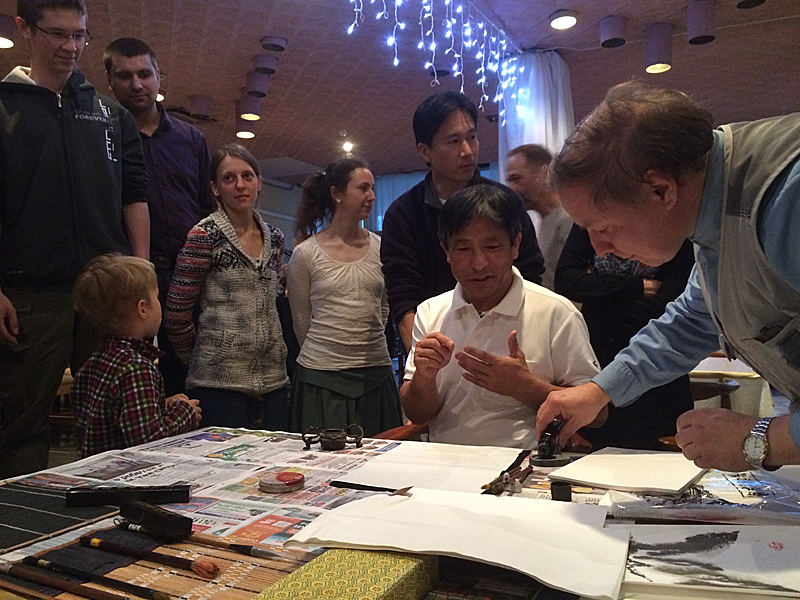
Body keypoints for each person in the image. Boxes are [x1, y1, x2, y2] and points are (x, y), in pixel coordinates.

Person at [536, 81, 800, 472]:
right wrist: (598, 391)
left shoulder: (787, 198)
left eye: (603, 227)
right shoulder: (712, 201)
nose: (598, 249)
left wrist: (759, 438)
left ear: (661, 190)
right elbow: (692, 319)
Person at [0, 0, 149, 478]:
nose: (71, 46)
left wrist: (140, 273)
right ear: (25, 28)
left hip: (106, 292)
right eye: (57, 34)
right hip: (29, 295)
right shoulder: (4, 105)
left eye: (79, 35)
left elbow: (134, 195)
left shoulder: (111, 114)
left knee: (114, 423)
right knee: (19, 426)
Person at [400, 184, 599, 448]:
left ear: (515, 245)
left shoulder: (556, 312)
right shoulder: (430, 311)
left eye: (492, 246)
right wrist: (424, 379)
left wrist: (524, 386)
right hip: (446, 459)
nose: (478, 263)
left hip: (528, 459)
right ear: (446, 251)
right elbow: (417, 413)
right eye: (463, 249)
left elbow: (598, 415)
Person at [381, 91, 545, 353]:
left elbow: (530, 273)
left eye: (472, 137)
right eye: (453, 141)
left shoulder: (506, 202)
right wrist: (422, 359)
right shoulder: (403, 214)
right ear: (425, 151)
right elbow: (403, 297)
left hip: (506, 339)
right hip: (438, 342)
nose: (467, 151)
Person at [104, 37, 215, 396]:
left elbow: (207, 209)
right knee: (137, 383)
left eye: (144, 74)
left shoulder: (190, 138)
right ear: (110, 81)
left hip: (190, 275)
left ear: (158, 76)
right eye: (124, 76)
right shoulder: (103, 138)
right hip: (130, 278)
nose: (136, 84)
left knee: (192, 378)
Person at [164, 143, 290, 430]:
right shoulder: (204, 236)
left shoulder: (275, 238)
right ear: (215, 188)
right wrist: (204, 356)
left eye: (247, 176)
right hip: (218, 385)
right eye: (229, 178)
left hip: (273, 381)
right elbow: (176, 313)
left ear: (259, 182)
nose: (240, 185)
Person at [286, 159, 403, 436]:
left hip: (374, 372)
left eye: (373, 188)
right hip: (321, 377)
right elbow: (302, 323)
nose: (371, 196)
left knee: (380, 457)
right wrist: (333, 352)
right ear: (337, 193)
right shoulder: (306, 253)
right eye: (363, 188)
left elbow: (383, 308)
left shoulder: (382, 248)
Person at [554, 225, 695, 450]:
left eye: (605, 230)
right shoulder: (589, 221)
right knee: (594, 452)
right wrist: (637, 287)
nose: (600, 248)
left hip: (660, 371)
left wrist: (600, 293)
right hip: (599, 355)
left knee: (658, 453)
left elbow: (670, 308)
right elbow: (566, 281)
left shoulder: (675, 233)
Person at [72, 255, 201, 458]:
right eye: (156, 297)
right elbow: (148, 439)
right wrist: (185, 412)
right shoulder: (137, 369)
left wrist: (163, 405)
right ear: (142, 309)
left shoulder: (93, 362)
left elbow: (119, 417)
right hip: (126, 471)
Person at [506, 144, 573, 291]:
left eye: (516, 179)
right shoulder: (544, 222)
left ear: (543, 173)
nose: (511, 188)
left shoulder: (570, 220)